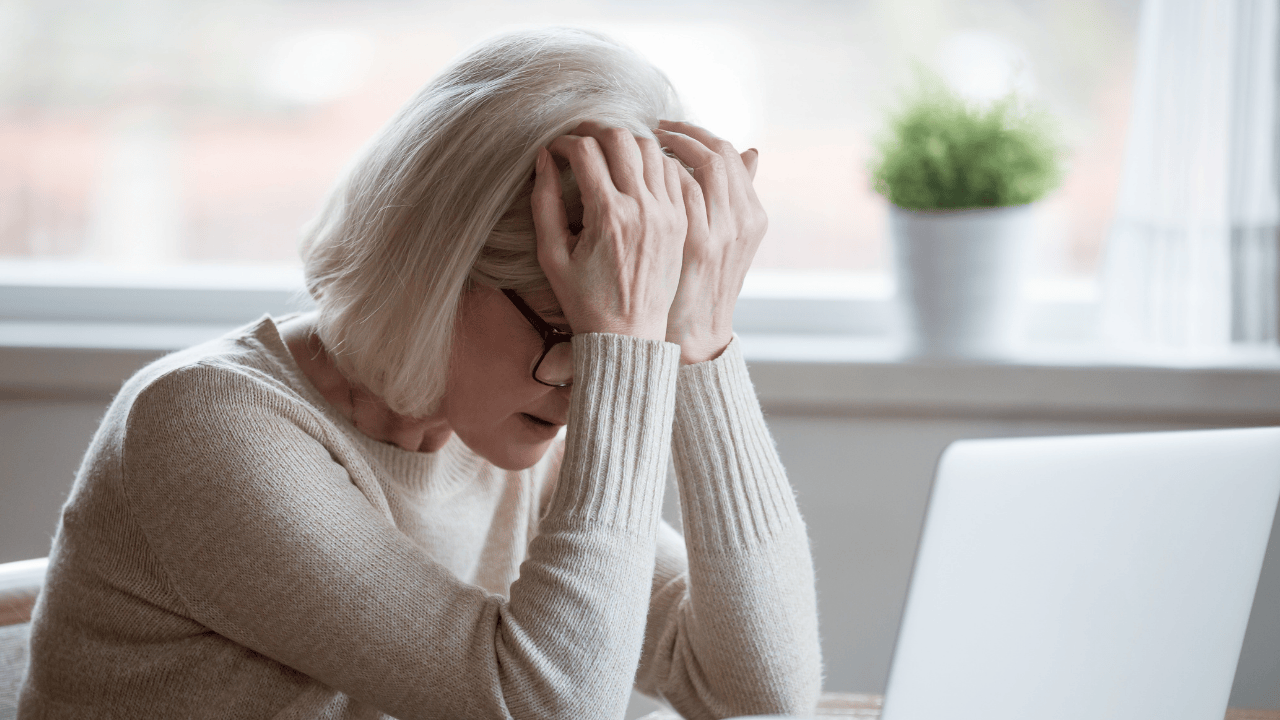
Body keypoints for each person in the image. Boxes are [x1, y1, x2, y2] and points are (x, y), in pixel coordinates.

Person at [18, 27, 822, 720]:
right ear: (437, 272)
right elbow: (546, 706)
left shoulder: (493, 426)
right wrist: (626, 354)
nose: (591, 389)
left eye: (616, 341)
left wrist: (702, 342)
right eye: (574, 335)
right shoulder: (203, 426)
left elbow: (755, 695)